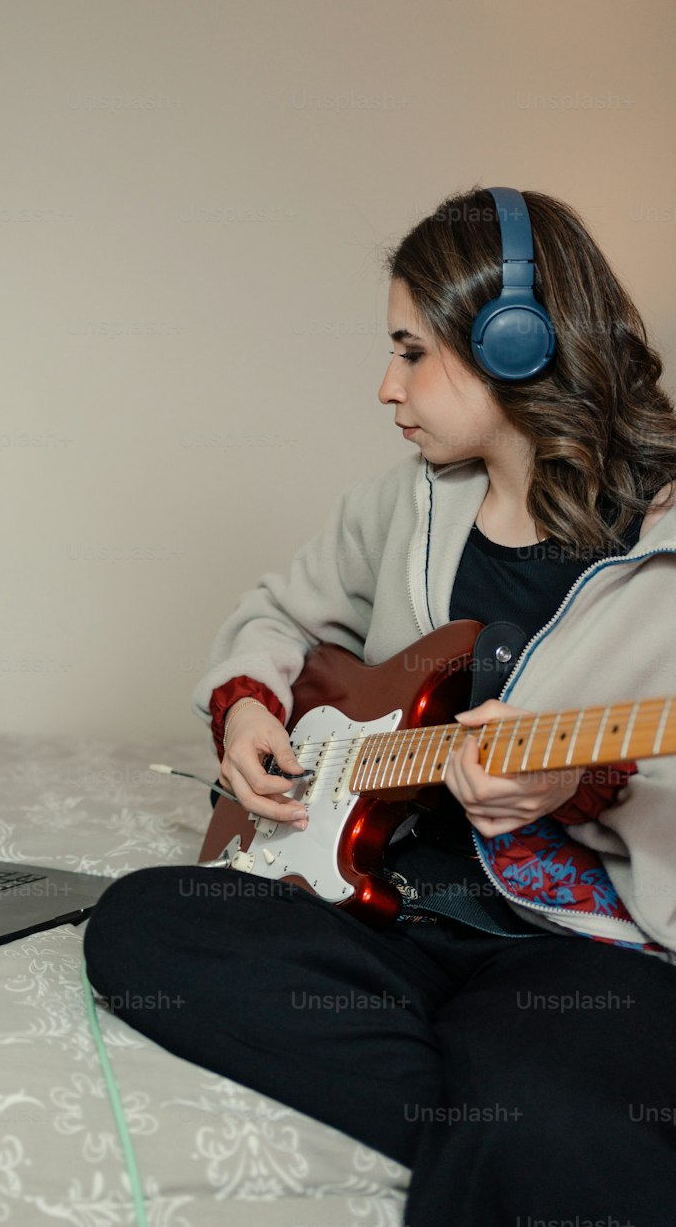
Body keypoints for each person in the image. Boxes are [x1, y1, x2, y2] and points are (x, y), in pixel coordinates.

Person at [84, 187, 676, 1226]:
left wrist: (578, 787)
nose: (383, 386)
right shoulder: (402, 500)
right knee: (139, 925)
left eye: (409, 351)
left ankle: (530, 1111)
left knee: (546, 1105)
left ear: (514, 342)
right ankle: (517, 1120)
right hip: (386, 906)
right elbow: (275, 615)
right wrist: (245, 712)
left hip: (569, 949)